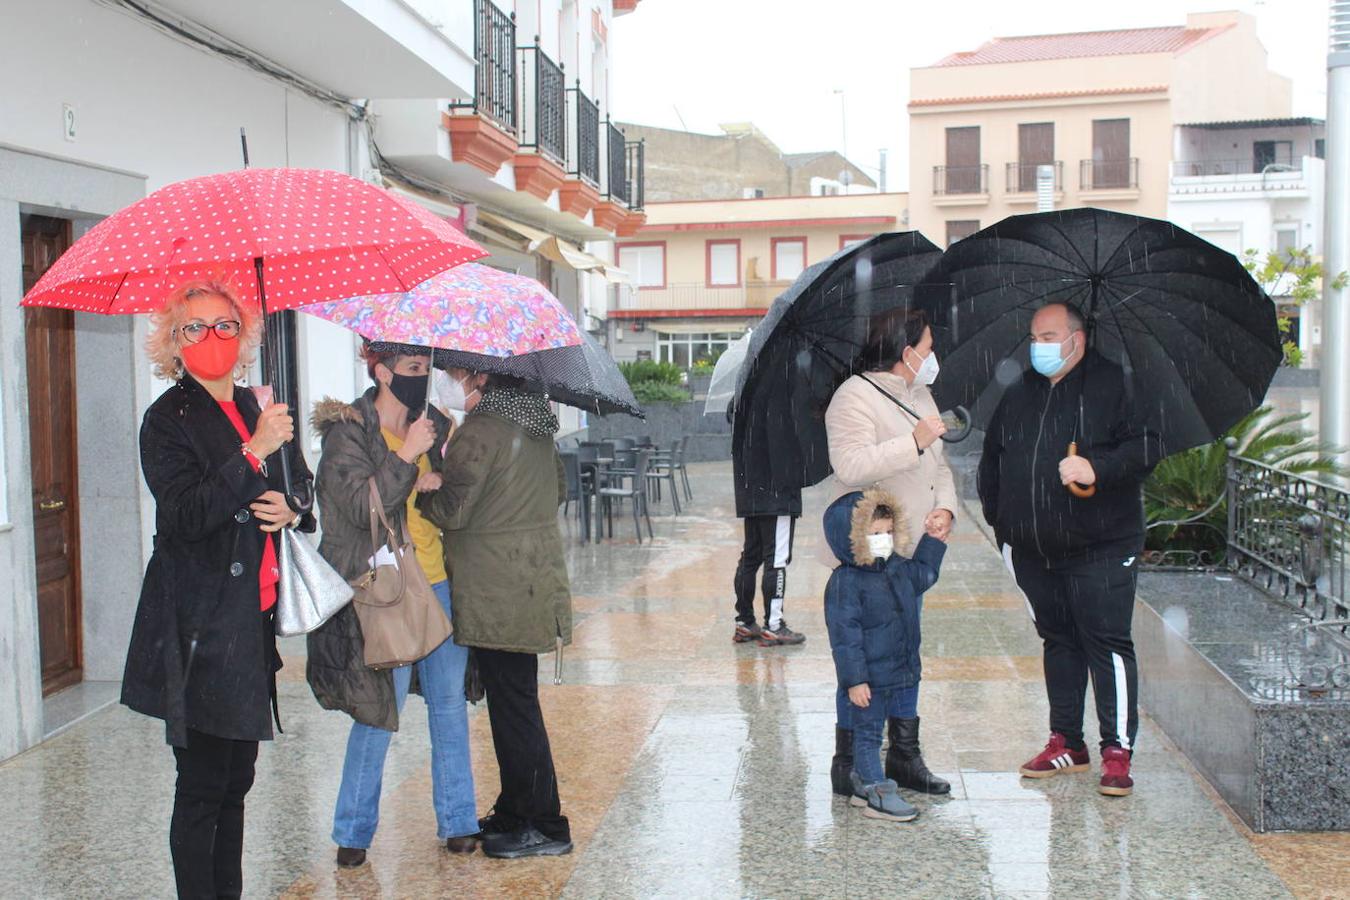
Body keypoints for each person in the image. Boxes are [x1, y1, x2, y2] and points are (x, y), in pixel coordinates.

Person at [121, 281, 311, 899]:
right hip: (200, 623)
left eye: (225, 326)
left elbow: (301, 490)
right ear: (173, 343)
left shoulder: (259, 408)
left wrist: (294, 508)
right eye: (194, 328)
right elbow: (183, 515)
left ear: (245, 336)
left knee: (238, 779)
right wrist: (252, 453)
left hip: (251, 618)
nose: (212, 339)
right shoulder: (166, 420)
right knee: (202, 784)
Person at [978, 302, 1162, 798]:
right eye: (1034, 337)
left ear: (1076, 339)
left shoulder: (1116, 385)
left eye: (1048, 336)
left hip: (1101, 545)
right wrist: (1003, 523)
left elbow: (1145, 448)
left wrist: (1096, 469)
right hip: (1034, 548)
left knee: (1106, 643)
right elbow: (993, 456)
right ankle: (1067, 742)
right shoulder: (1020, 393)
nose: (1038, 346)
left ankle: (1117, 752)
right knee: (1058, 640)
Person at [306, 343, 477, 867]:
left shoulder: (435, 427)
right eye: (410, 369)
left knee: (450, 707)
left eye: (425, 369)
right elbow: (357, 508)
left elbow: (455, 499)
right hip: (385, 592)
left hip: (440, 582)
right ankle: (353, 833)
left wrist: (438, 480)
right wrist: (406, 459)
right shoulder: (349, 433)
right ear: (381, 372)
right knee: (381, 710)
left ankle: (459, 821)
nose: (420, 378)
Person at [418, 371, 574, 859]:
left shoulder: (482, 429)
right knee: (515, 701)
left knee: (514, 707)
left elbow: (453, 511)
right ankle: (514, 809)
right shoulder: (537, 424)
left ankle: (545, 824)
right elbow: (559, 492)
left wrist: (426, 485)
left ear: (479, 375)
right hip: (532, 576)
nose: (447, 379)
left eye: (453, 373)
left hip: (495, 584)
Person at [822, 309, 957, 797]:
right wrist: (912, 442)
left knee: (903, 655)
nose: (933, 356)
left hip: (915, 548)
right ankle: (850, 761)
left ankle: (903, 754)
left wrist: (945, 509)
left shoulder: (921, 394)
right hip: (872, 551)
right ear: (907, 353)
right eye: (929, 345)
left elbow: (940, 466)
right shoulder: (853, 396)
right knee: (862, 657)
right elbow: (850, 464)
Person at [823, 488, 945, 822]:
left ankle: (882, 773)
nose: (884, 540)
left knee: (902, 719)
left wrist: (933, 542)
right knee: (868, 733)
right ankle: (874, 787)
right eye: (875, 534)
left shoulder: (897, 568)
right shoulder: (845, 582)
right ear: (852, 538)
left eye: (889, 532)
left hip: (904, 670)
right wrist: (855, 680)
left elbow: (925, 575)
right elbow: (845, 639)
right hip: (871, 680)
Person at [730, 395, 806, 647]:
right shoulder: (785, 397)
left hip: (750, 490)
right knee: (777, 560)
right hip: (778, 492)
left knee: (750, 557)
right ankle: (774, 625)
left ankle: (744, 621)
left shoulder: (741, 398)